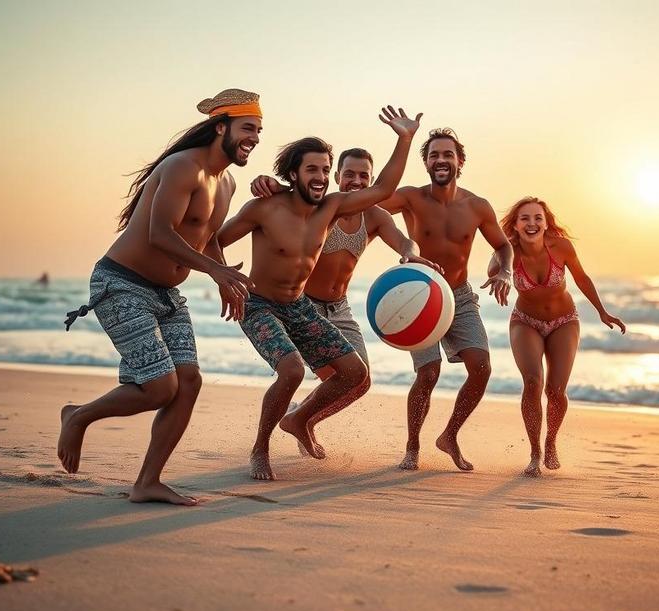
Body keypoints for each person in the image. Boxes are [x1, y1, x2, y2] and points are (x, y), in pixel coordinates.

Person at [57, 88, 260, 505]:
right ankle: (78, 416)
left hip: (166, 293)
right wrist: (216, 271)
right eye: (247, 128)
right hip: (121, 283)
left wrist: (222, 275)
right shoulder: (182, 166)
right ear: (220, 127)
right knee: (159, 389)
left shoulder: (227, 183)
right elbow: (159, 234)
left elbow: (207, 238)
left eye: (258, 130)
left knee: (188, 382)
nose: (254, 137)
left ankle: (147, 482)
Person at [216, 106, 422, 481]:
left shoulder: (331, 207)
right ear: (293, 173)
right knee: (291, 371)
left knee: (353, 372)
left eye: (326, 170)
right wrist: (223, 276)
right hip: (260, 305)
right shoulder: (264, 208)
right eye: (313, 169)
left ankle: (300, 420)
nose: (322, 177)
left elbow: (384, 189)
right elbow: (214, 241)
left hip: (299, 306)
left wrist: (404, 139)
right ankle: (260, 448)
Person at [250, 147, 442, 457]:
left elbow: (403, 239)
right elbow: (294, 195)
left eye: (363, 175)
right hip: (304, 305)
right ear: (337, 177)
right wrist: (273, 185)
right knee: (331, 376)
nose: (356, 180)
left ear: (371, 179)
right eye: (349, 174)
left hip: (339, 308)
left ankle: (301, 420)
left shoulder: (376, 216)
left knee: (360, 380)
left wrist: (408, 251)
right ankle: (285, 428)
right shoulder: (324, 208)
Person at [378, 128, 514, 472]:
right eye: (434, 155)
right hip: (417, 295)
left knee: (481, 368)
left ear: (460, 162)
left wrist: (504, 271)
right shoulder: (410, 197)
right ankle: (412, 446)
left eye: (447, 154)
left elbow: (503, 245)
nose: (441, 160)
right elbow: (367, 206)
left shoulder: (478, 206)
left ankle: (449, 435)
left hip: (460, 296)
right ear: (425, 162)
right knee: (428, 373)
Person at [498, 196, 625, 476]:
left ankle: (551, 440)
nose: (532, 223)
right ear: (516, 226)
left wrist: (602, 312)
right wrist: (502, 275)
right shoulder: (508, 250)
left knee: (555, 391)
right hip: (525, 322)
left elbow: (581, 278)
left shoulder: (562, 247)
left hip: (564, 321)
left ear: (546, 222)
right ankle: (534, 453)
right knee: (532, 382)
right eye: (525, 219)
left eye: (537, 218)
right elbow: (498, 270)